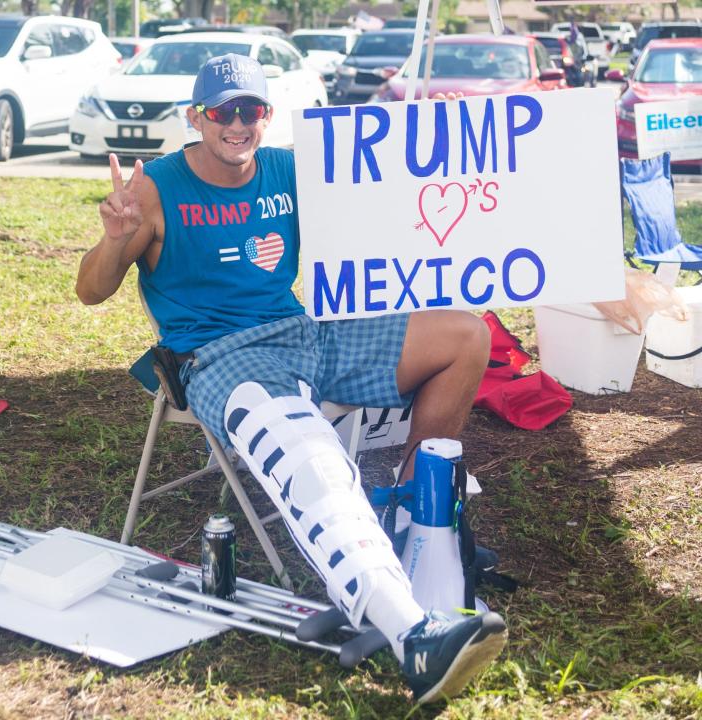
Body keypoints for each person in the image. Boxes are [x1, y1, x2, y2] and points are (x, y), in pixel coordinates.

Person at [77, 53, 506, 703]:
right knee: (313, 455)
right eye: (222, 112)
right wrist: (117, 238)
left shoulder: (288, 168)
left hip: (306, 333)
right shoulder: (157, 186)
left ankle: (414, 533)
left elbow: (382, 179)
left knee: (465, 336)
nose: (238, 123)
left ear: (268, 116)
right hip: (222, 356)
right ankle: (411, 632)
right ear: (197, 117)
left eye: (251, 110)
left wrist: (435, 138)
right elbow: (91, 291)